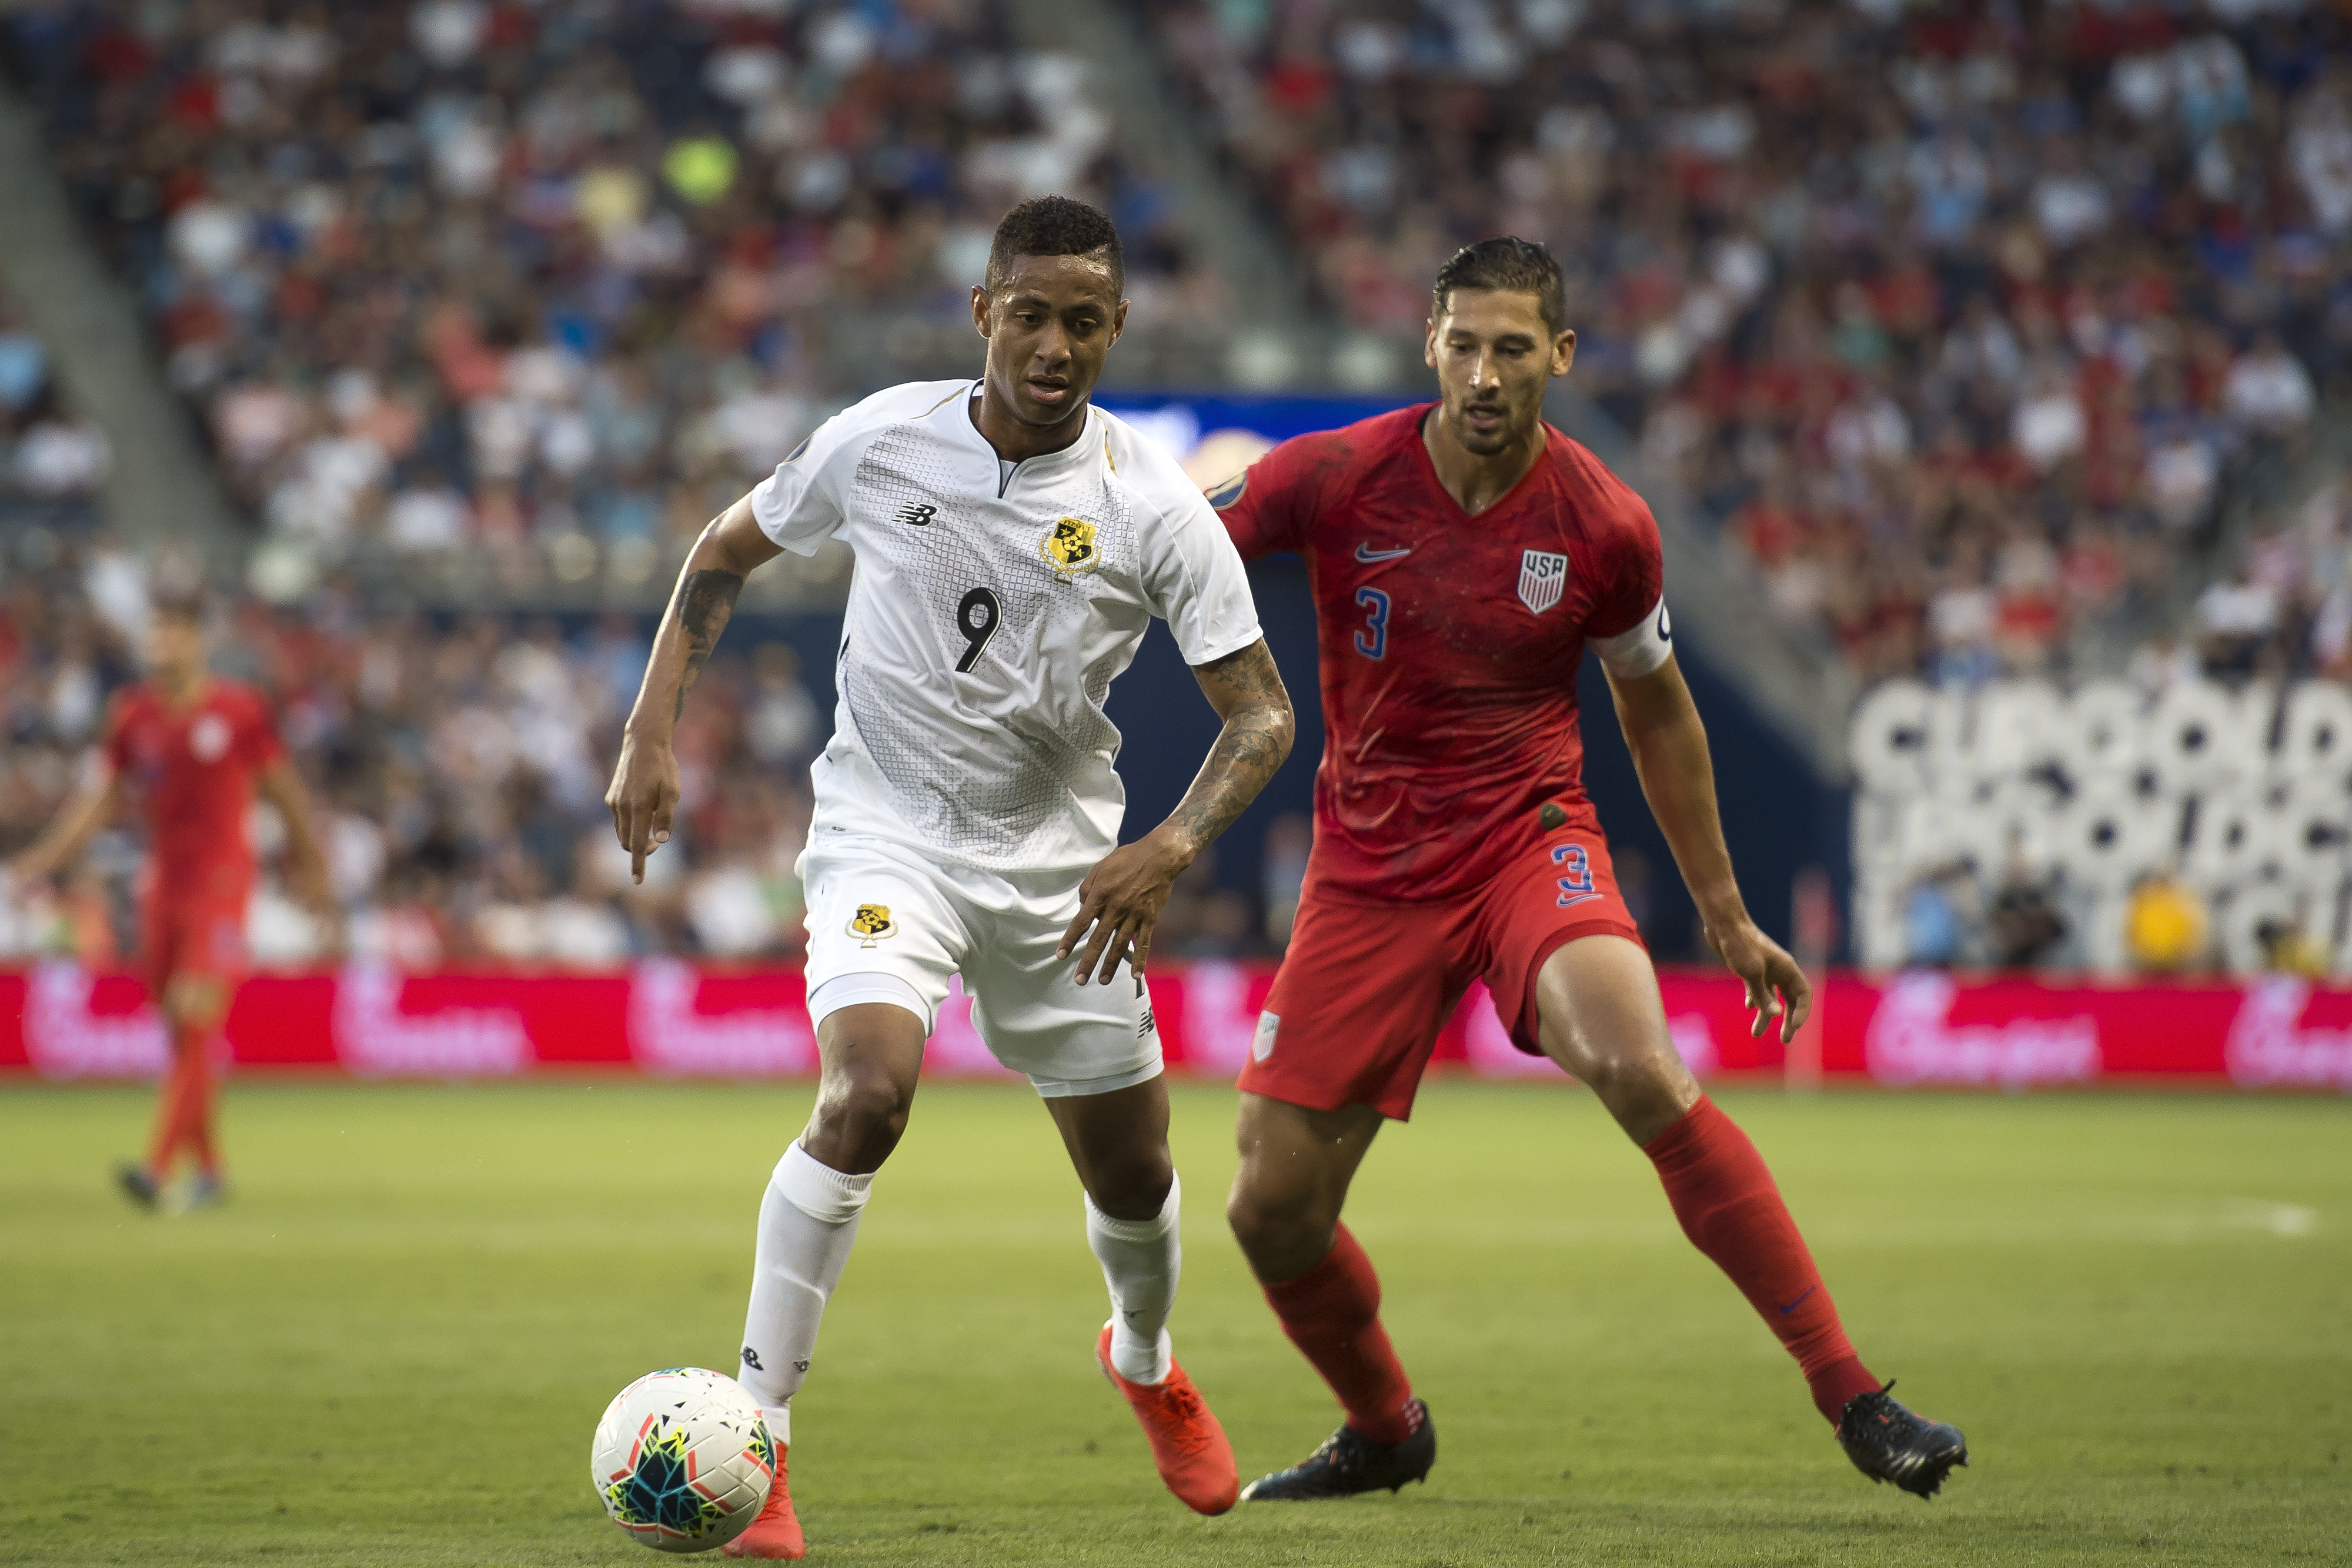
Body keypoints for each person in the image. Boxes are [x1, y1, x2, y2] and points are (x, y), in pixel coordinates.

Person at [1208, 238, 1967, 1503]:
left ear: (1559, 354)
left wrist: (1725, 911)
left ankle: (1853, 1394)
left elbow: (1658, 711)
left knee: (1638, 1065)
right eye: (1462, 344)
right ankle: (1386, 1429)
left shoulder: (1603, 522)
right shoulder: (1335, 473)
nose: (1483, 373)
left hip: (1528, 839)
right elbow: (1179, 545)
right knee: (1268, 1211)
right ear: (1430, 344)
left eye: (1512, 348)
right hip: (1369, 872)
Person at [604, 196, 1294, 1559]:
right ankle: (760, 1439)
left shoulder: (1152, 504)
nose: (1053, 346)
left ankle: (1144, 1359)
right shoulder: (880, 439)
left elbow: (1262, 711)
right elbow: (725, 548)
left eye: (1082, 322)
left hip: (1062, 874)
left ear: (1116, 328)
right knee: (862, 1098)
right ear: (983, 311)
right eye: (1028, 315)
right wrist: (648, 727)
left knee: (1135, 1172)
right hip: (887, 838)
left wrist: (1166, 846)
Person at [9, 589, 333, 1211]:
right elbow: (100, 799)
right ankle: (211, 1168)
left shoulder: (239, 710)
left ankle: (155, 1170)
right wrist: (46, 857)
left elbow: (285, 792)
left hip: (223, 884)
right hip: (162, 889)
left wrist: (313, 868)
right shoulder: (132, 715)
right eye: (155, 633)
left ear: (197, 640)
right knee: (183, 1034)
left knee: (195, 1012)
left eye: (173, 633)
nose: (162, 645)